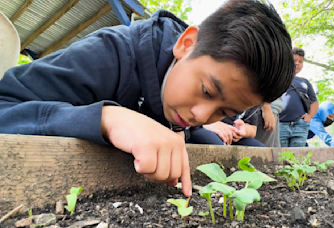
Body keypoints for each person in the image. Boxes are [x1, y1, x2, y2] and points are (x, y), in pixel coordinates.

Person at [0, 0, 295, 197]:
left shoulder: (188, 99)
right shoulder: (110, 54)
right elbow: (5, 106)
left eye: (224, 111)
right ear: (186, 44)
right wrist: (106, 118)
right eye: (206, 91)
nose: (202, 116)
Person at [279, 48, 319, 147]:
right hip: (280, 124)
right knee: (280, 154)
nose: (297, 63)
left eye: (300, 61)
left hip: (300, 124)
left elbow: (314, 102)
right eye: (294, 61)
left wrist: (309, 116)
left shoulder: (304, 82)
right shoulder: (278, 79)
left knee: (298, 155)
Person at [188, 107, 265, 147]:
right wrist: (208, 123)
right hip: (199, 126)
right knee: (215, 143)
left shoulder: (252, 101)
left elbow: (253, 129)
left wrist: (243, 129)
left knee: (260, 148)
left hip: (232, 136)